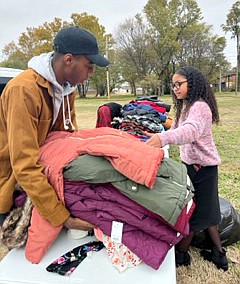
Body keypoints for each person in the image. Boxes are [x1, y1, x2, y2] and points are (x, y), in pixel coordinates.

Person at [0, 26, 109, 232]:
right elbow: (24, 164)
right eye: (89, 66)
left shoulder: (67, 90)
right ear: (69, 60)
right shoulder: (23, 90)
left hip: (42, 182)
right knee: (27, 257)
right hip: (12, 186)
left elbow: (66, 139)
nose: (91, 73)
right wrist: (62, 217)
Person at [146, 66, 228, 271]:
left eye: (179, 84)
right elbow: (177, 130)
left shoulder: (199, 107)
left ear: (193, 83)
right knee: (206, 214)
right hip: (192, 167)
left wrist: (161, 138)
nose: (175, 88)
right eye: (173, 85)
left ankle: (182, 255)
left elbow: (190, 132)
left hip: (203, 169)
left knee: (193, 214)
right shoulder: (186, 106)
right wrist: (157, 134)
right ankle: (218, 255)